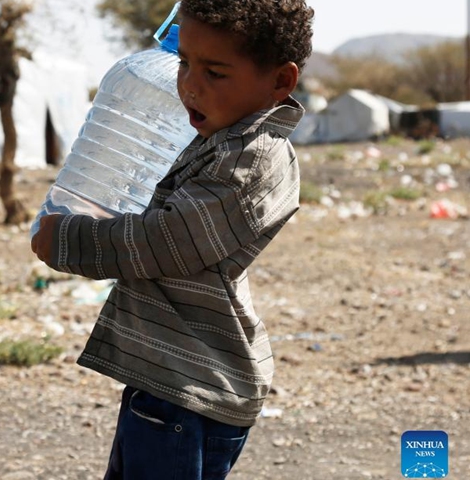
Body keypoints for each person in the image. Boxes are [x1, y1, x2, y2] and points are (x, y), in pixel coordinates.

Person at [31, 0, 314, 478]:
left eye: (215, 72)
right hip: (170, 382)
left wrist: (69, 240)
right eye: (184, 62)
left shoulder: (252, 159)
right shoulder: (222, 141)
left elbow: (165, 243)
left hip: (192, 391)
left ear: (281, 82)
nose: (189, 85)